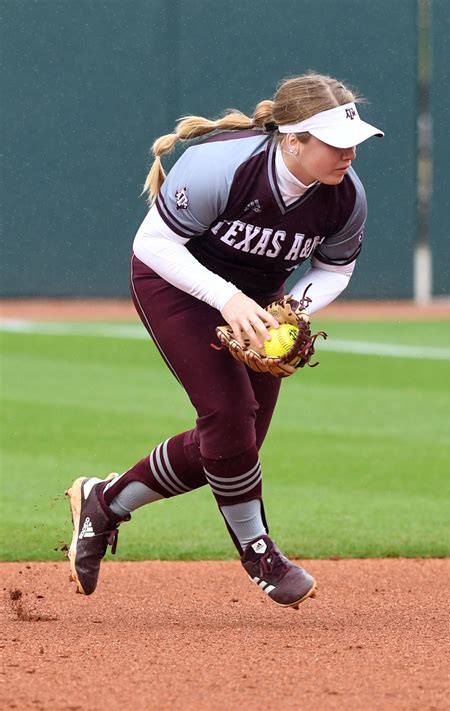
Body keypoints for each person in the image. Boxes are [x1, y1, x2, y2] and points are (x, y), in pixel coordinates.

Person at [65, 72, 383, 609]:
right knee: (230, 418)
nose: (348, 153)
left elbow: (334, 269)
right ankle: (260, 553)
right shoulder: (224, 166)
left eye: (353, 140)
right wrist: (228, 300)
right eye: (333, 141)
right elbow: (153, 245)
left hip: (257, 301)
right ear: (293, 140)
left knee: (238, 444)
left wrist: (290, 312)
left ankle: (105, 502)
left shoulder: (345, 196)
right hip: (177, 284)